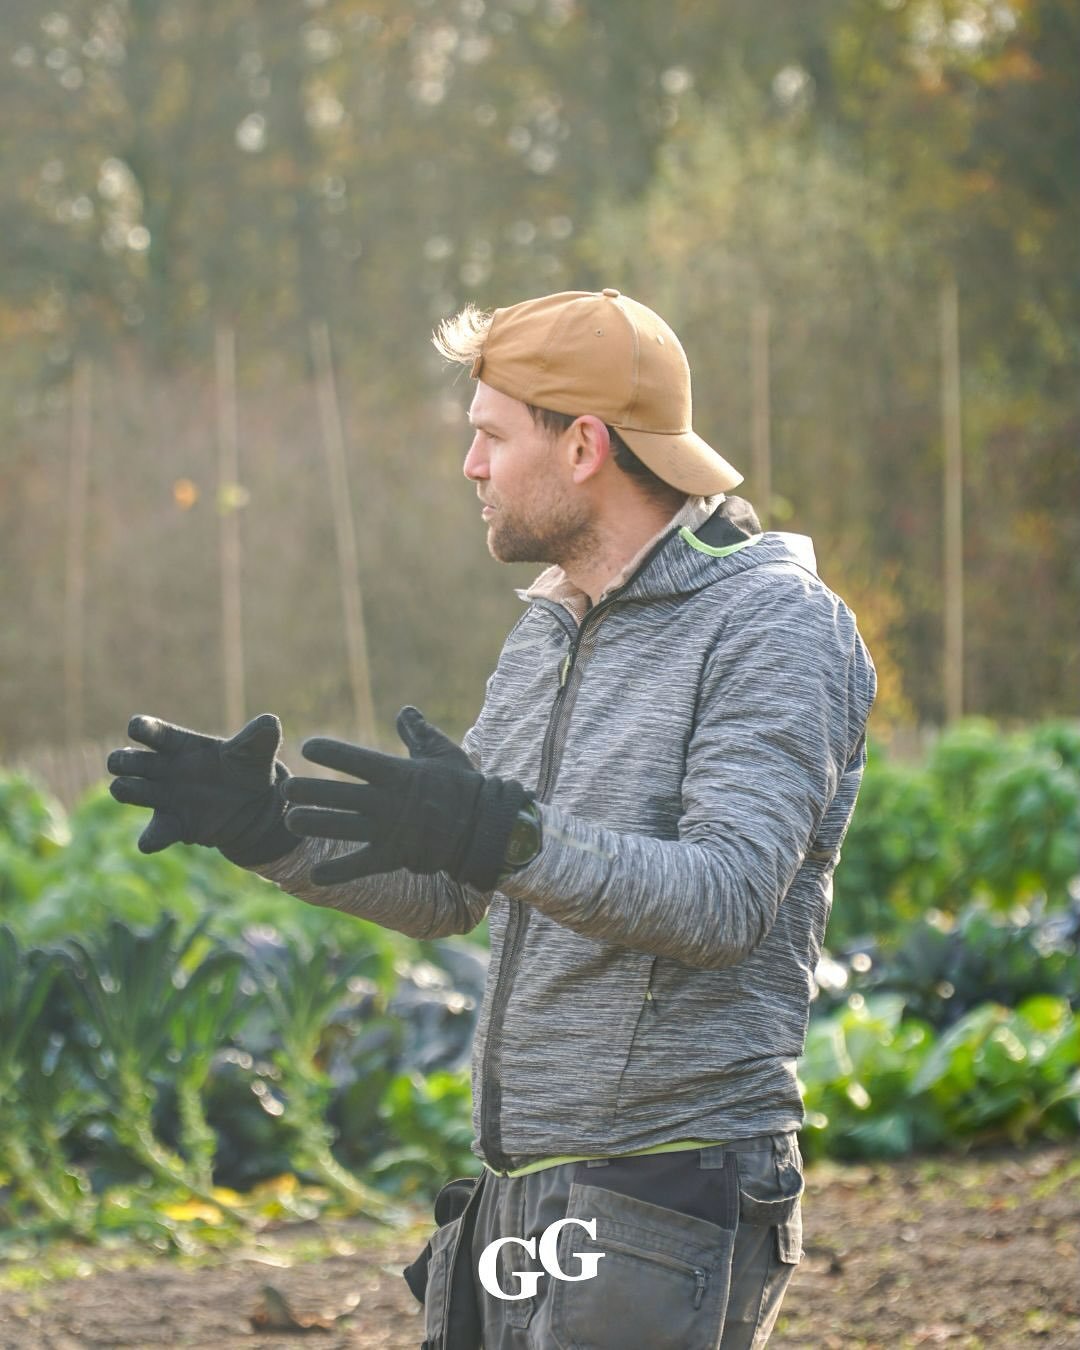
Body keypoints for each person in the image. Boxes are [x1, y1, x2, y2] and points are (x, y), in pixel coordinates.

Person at [108, 287, 876, 1350]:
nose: (470, 467)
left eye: (489, 436)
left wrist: (508, 836)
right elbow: (454, 888)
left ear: (584, 447)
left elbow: (726, 897)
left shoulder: (775, 627)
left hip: (666, 1180)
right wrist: (270, 828)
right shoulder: (550, 629)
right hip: (518, 1189)